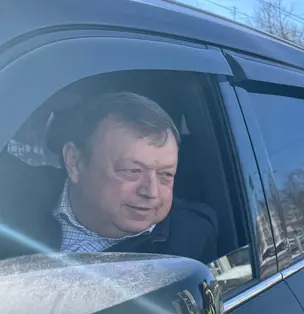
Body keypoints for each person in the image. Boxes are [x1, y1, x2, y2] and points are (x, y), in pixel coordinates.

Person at [0, 91, 218, 263]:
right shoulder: (11, 195)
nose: (151, 192)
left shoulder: (192, 238)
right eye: (132, 171)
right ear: (75, 161)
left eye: (166, 175)